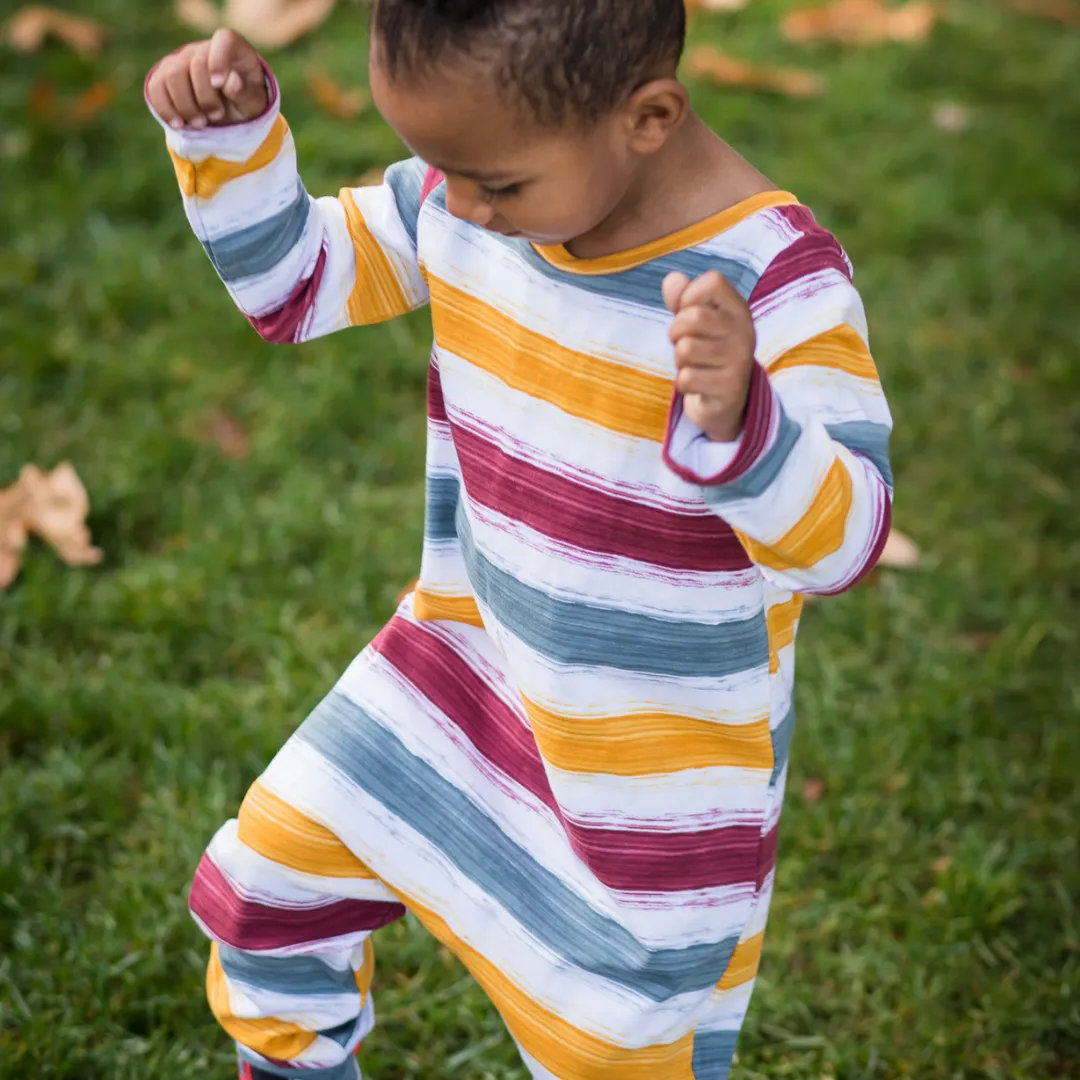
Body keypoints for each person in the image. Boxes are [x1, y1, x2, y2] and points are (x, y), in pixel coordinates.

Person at [146, 1, 893, 1076]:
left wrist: (750, 427)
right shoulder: (471, 195)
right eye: (432, 167)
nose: (456, 208)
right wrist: (231, 141)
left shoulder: (775, 285)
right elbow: (297, 286)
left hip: (649, 782)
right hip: (459, 668)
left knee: (607, 1050)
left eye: (496, 184)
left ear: (648, 117)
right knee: (268, 890)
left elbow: (846, 547)